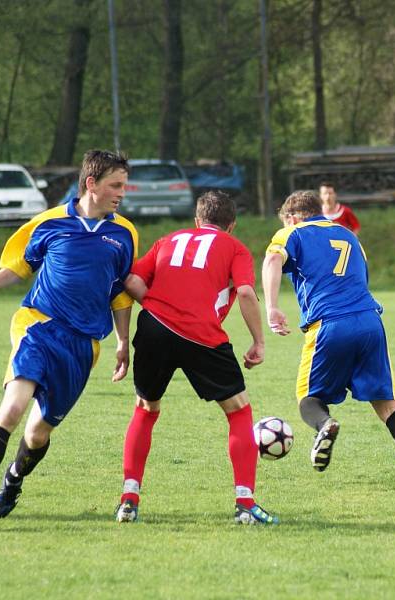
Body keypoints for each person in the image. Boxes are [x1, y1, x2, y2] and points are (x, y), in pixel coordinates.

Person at [0, 150, 138, 528]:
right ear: (91, 184)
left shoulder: (124, 233)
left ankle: (14, 477)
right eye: (115, 185)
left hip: (83, 344)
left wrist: (122, 342)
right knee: (13, 407)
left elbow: (119, 293)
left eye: (123, 185)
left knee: (37, 432)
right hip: (38, 325)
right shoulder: (50, 222)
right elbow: (18, 267)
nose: (122, 192)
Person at [115, 191, 278, 526]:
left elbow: (130, 280)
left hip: (153, 327)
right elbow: (246, 291)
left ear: (197, 220)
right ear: (231, 224)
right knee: (238, 410)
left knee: (146, 408)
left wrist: (160, 308)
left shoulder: (167, 240)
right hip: (200, 334)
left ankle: (128, 501)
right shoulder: (235, 247)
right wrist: (258, 342)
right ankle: (245, 505)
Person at [262, 190, 395, 487]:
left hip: (329, 324)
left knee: (308, 398)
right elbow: (360, 276)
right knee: (387, 404)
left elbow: (272, 261)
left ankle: (324, 425)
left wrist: (272, 307)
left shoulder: (293, 233)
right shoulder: (348, 235)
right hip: (369, 321)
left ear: (291, 218)